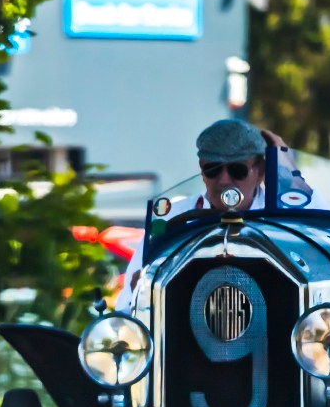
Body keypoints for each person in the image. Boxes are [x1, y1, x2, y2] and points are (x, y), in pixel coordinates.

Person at [115, 119, 285, 310]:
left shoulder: (285, 215)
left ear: (260, 172)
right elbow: (129, 302)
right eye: (212, 169)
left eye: (237, 170)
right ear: (201, 169)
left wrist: (287, 169)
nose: (223, 180)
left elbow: (321, 231)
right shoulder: (173, 215)